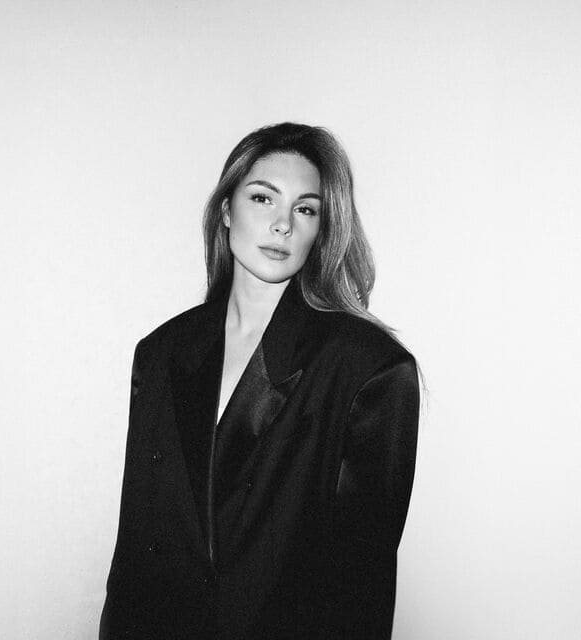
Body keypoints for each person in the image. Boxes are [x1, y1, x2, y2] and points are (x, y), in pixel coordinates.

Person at [99, 122, 420, 640]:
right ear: (227, 210)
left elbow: (361, 588)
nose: (283, 225)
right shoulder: (161, 352)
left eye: (306, 209)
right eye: (263, 198)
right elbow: (138, 544)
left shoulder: (368, 369)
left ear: (322, 230)